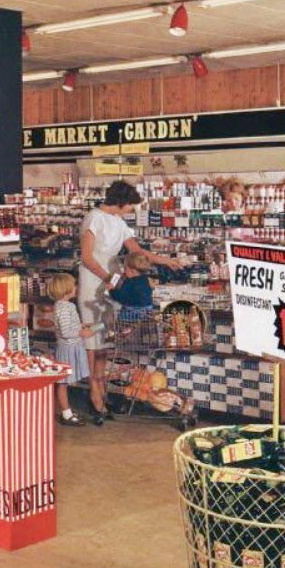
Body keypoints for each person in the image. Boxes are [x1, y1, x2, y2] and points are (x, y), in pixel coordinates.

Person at [78, 180, 182, 425]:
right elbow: (87, 257)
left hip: (115, 285)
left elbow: (138, 251)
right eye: (130, 206)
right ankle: (94, 393)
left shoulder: (119, 222)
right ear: (121, 202)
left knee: (106, 340)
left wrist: (165, 261)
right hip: (94, 283)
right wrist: (109, 279)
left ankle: (102, 389)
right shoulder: (93, 218)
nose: (131, 210)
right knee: (92, 343)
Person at [48, 273, 92, 427]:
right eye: (74, 285)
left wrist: (81, 325)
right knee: (64, 382)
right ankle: (66, 414)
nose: (76, 287)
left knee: (65, 382)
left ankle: (67, 412)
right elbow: (66, 332)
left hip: (69, 347)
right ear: (66, 289)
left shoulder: (62, 305)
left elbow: (66, 326)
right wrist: (82, 332)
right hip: (68, 349)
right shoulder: (65, 308)